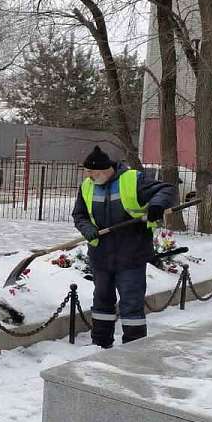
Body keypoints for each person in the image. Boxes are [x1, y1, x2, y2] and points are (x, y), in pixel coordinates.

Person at [72, 146, 178, 348]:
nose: (89, 177)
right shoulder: (87, 186)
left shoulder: (132, 180)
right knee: (102, 300)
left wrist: (156, 206)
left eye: (92, 173)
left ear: (104, 170)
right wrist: (87, 229)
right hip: (101, 255)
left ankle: (133, 347)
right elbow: (80, 215)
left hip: (131, 253)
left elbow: (166, 189)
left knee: (131, 303)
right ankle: (100, 343)